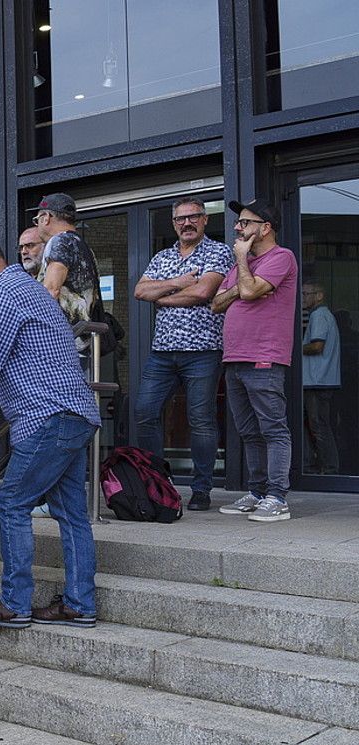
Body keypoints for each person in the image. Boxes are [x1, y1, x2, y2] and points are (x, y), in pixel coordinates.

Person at [0, 239, 101, 629]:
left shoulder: (2, 292)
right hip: (73, 414)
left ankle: (15, 604)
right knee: (72, 515)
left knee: (11, 502)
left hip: (48, 417)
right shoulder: (28, 288)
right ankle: (79, 603)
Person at [131, 196, 235, 511]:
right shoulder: (163, 256)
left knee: (200, 420)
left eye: (193, 217)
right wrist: (178, 283)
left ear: (205, 220)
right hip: (162, 351)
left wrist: (163, 296)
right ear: (173, 223)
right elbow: (139, 291)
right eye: (180, 219)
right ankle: (159, 483)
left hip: (203, 351)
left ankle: (201, 489)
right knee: (144, 413)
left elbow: (204, 292)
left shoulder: (218, 251)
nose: (186, 223)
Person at [211, 199, 299, 523]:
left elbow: (248, 293)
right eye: (239, 222)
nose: (238, 227)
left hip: (264, 356)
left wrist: (239, 264)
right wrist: (240, 283)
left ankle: (278, 498)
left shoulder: (282, 258)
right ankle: (258, 492)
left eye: (245, 222)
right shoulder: (241, 268)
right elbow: (216, 303)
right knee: (248, 431)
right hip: (234, 358)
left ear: (265, 228)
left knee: (273, 429)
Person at [34, 193, 105, 342]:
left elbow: (51, 290)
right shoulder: (82, 246)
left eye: (37, 220)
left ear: (46, 217)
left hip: (63, 342)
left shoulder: (59, 241)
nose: (37, 226)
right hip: (84, 339)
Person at [302, 282, 341, 475]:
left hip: (318, 380)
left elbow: (317, 346)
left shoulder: (319, 316)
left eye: (307, 294)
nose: (303, 298)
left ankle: (329, 468)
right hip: (320, 379)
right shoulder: (323, 316)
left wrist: (295, 349)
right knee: (318, 424)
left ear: (319, 295)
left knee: (319, 426)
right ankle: (317, 464)